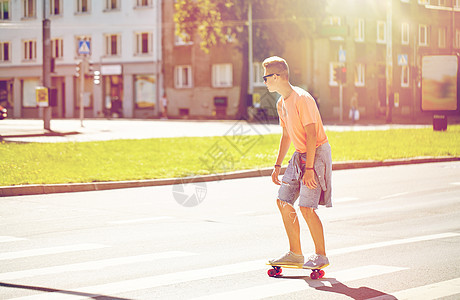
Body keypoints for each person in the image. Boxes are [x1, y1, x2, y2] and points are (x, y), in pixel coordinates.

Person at [263, 56, 332, 269]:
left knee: (306, 208)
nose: (264, 82)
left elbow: (312, 136)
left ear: (276, 76)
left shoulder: (302, 98)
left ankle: (321, 255)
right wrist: (277, 165)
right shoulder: (281, 103)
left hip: (316, 153)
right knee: (283, 201)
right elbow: (286, 136)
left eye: (266, 77)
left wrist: (309, 169)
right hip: (299, 154)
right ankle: (295, 253)